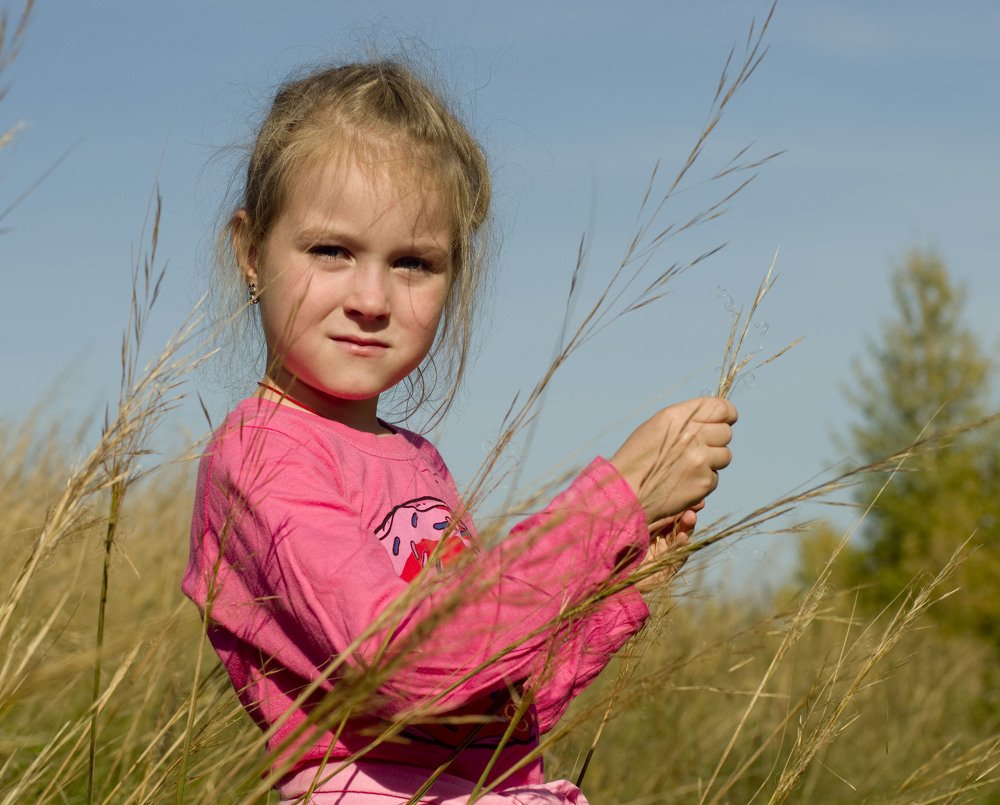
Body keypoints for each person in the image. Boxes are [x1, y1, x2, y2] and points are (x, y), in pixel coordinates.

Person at [182, 60, 737, 804]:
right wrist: (615, 495)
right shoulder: (260, 457)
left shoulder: (419, 462)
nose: (372, 298)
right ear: (252, 253)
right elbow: (411, 666)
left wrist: (621, 587)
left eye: (413, 262)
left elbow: (494, 708)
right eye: (331, 251)